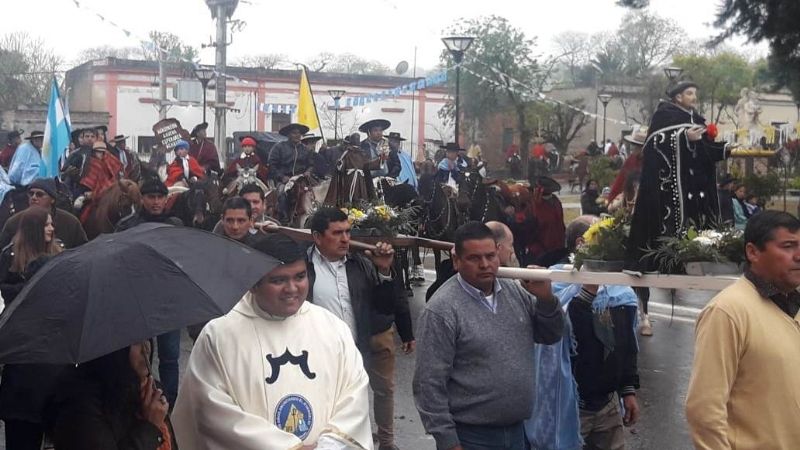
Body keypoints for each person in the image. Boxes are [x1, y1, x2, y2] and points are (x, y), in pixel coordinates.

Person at [173, 234, 373, 449]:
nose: (292, 289)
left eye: (299, 276)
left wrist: (329, 445)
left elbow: (354, 394)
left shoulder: (332, 328)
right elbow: (211, 408)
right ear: (252, 284)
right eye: (278, 280)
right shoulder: (220, 335)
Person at [413, 222, 564, 450]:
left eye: (490, 256)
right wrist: (447, 441)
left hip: (517, 432)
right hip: (471, 437)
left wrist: (546, 299)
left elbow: (550, 335)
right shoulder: (442, 310)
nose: (485, 265)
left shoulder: (515, 292)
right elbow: (428, 383)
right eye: (474, 258)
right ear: (456, 261)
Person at [686, 211, 800, 449]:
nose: (798, 256)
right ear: (753, 252)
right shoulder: (727, 311)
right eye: (788, 246)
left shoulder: (793, 303)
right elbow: (704, 411)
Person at [526, 215, 640, 450]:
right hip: (570, 406)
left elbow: (626, 345)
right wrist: (589, 286)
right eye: (606, 240)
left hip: (608, 406)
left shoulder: (621, 291)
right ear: (582, 244)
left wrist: (628, 390)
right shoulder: (553, 286)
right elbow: (564, 332)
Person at [306, 207, 411, 450]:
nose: (345, 239)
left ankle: (382, 443)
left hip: (360, 347)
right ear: (317, 237)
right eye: (337, 233)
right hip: (323, 354)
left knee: (364, 402)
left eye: (347, 232)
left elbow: (384, 307)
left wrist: (384, 271)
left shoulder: (361, 264)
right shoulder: (304, 269)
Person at [627, 80, 731, 271]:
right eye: (690, 93)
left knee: (699, 225)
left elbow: (703, 150)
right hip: (671, 189)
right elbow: (653, 144)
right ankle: (670, 263)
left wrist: (724, 149)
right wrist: (683, 137)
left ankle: (700, 258)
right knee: (672, 229)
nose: (694, 97)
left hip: (695, 187)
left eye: (694, 93)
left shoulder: (697, 120)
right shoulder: (664, 115)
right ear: (678, 97)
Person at [0, 207, 65, 450]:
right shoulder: (10, 259)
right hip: (22, 372)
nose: (51, 228)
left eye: (51, 224)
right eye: (47, 224)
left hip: (52, 370)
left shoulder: (58, 254)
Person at [46, 342, 175, 449]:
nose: (146, 349)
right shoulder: (81, 409)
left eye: (147, 338)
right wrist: (150, 428)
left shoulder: (148, 392)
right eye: (135, 343)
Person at [0, 178, 87, 250]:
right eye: (31, 194)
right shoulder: (14, 222)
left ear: (52, 199)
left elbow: (82, 251)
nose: (33, 197)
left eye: (39, 194)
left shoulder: (70, 223)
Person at [268, 123, 313, 222]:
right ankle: (284, 219)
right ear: (288, 134)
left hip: (302, 180)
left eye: (299, 133)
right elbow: (272, 165)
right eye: (294, 133)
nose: (297, 135)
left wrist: (308, 171)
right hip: (284, 180)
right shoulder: (279, 148)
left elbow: (311, 165)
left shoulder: (305, 150)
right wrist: (281, 177)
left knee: (314, 193)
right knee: (282, 194)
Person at [116, 178, 183, 231]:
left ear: (166, 199)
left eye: (160, 197)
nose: (156, 202)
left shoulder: (175, 224)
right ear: (142, 199)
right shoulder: (127, 225)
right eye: (151, 197)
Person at [528, 176, 567, 267]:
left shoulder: (556, 201)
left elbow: (561, 222)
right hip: (540, 249)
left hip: (558, 245)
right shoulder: (534, 203)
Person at [212, 183, 279, 234]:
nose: (251, 207)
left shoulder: (274, 225)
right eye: (247, 202)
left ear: (264, 203)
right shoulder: (225, 224)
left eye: (255, 202)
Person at [607, 129, 646, 204]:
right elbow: (620, 179)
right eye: (634, 145)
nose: (634, 148)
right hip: (628, 198)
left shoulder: (651, 162)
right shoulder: (631, 159)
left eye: (637, 146)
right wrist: (611, 199)